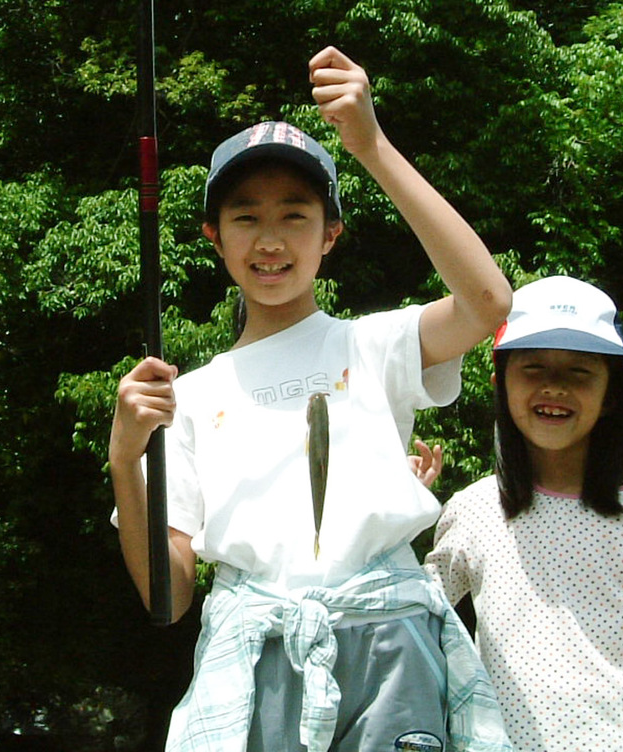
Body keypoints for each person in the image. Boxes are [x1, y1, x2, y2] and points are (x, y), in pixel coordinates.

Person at [109, 46, 515, 752]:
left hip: (391, 645)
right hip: (258, 656)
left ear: (331, 234)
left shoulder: (374, 345)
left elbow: (487, 301)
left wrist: (371, 145)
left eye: (295, 215)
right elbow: (168, 600)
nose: (270, 239)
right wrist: (124, 458)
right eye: (245, 217)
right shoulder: (187, 398)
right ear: (213, 237)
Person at [423, 275, 623, 752]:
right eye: (533, 368)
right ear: (500, 382)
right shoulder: (473, 509)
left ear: (611, 391)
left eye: (579, 372)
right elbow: (417, 617)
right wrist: (400, 514)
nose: (553, 388)